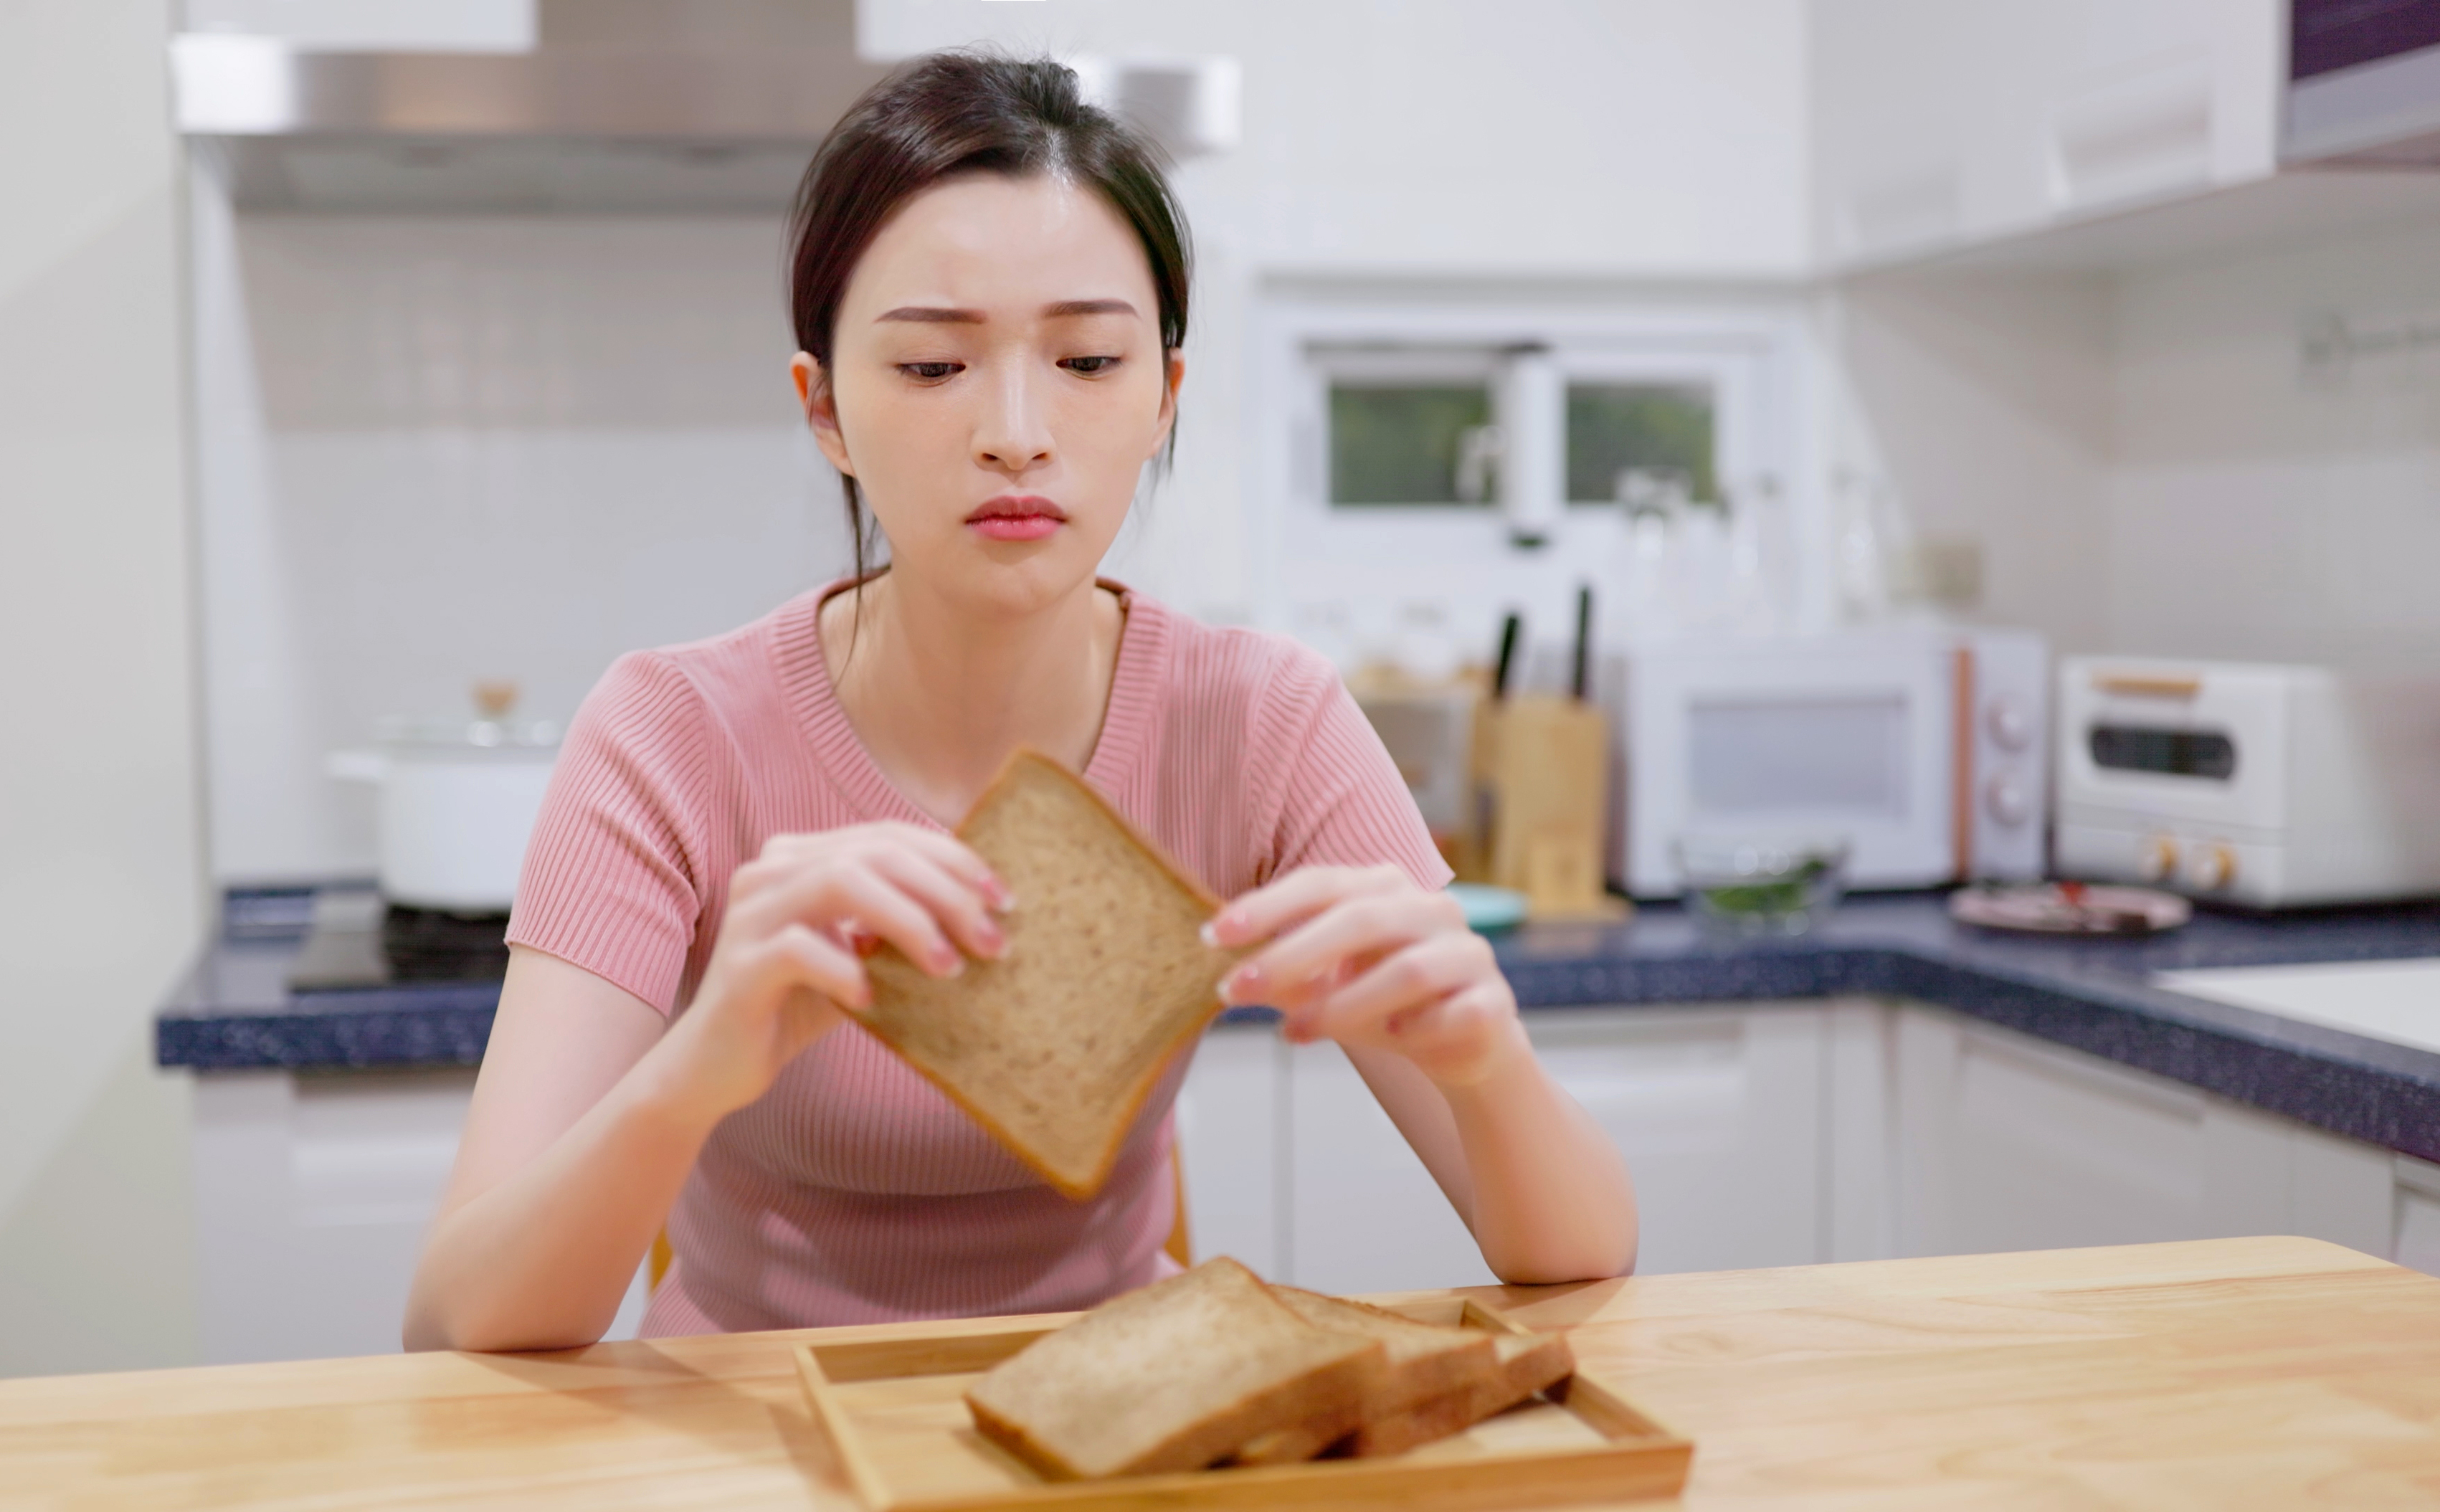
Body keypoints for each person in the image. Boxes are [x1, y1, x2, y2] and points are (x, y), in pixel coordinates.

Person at [403, 52, 1636, 1354]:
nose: (1014, 429)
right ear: (824, 408)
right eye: (933, 367)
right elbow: (456, 1321)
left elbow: (1577, 1251)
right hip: (749, 1438)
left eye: (1088, 359)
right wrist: (695, 1069)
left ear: (1165, 394)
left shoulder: (1262, 719)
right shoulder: (670, 734)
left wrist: (1485, 1057)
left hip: (1119, 1432)